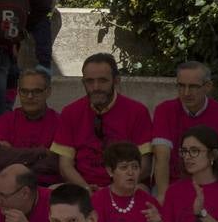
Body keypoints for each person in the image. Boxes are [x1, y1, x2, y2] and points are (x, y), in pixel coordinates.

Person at [51, 53, 154, 189]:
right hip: (82, 187)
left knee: (141, 189)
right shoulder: (70, 112)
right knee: (52, 191)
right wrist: (87, 189)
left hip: (125, 187)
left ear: (116, 81)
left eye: (103, 80)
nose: (96, 87)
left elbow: (145, 167)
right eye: (90, 81)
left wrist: (110, 191)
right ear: (83, 83)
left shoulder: (137, 112)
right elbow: (65, 166)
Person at [151, 61, 218, 202]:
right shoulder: (164, 110)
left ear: (208, 87)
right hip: (171, 184)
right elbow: (162, 158)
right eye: (181, 86)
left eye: (193, 87)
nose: (186, 93)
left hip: (210, 185)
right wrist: (163, 195)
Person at [0, 69, 60, 186]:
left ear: (48, 92)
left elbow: (56, 163)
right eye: (24, 91)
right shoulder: (4, 121)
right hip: (11, 187)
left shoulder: (60, 122)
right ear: (18, 92)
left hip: (47, 188)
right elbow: (1, 159)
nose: (30, 96)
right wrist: (41, 152)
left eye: (36, 91)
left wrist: (14, 155)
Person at [92, 142, 159, 222]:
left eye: (135, 167)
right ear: (110, 171)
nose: (130, 172)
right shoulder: (98, 200)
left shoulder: (148, 202)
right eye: (123, 167)